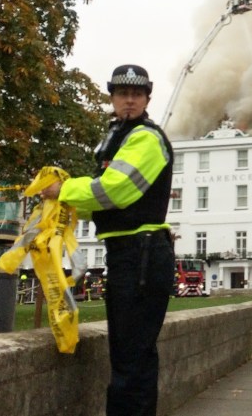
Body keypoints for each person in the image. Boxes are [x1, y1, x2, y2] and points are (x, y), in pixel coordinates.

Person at [40, 64, 175, 416]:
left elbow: (116, 189)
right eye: (122, 94)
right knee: (130, 356)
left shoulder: (145, 137)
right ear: (112, 98)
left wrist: (64, 191)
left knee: (132, 360)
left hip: (140, 255)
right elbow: (102, 202)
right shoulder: (117, 136)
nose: (129, 100)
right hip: (129, 254)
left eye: (136, 94)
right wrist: (64, 203)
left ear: (147, 98)